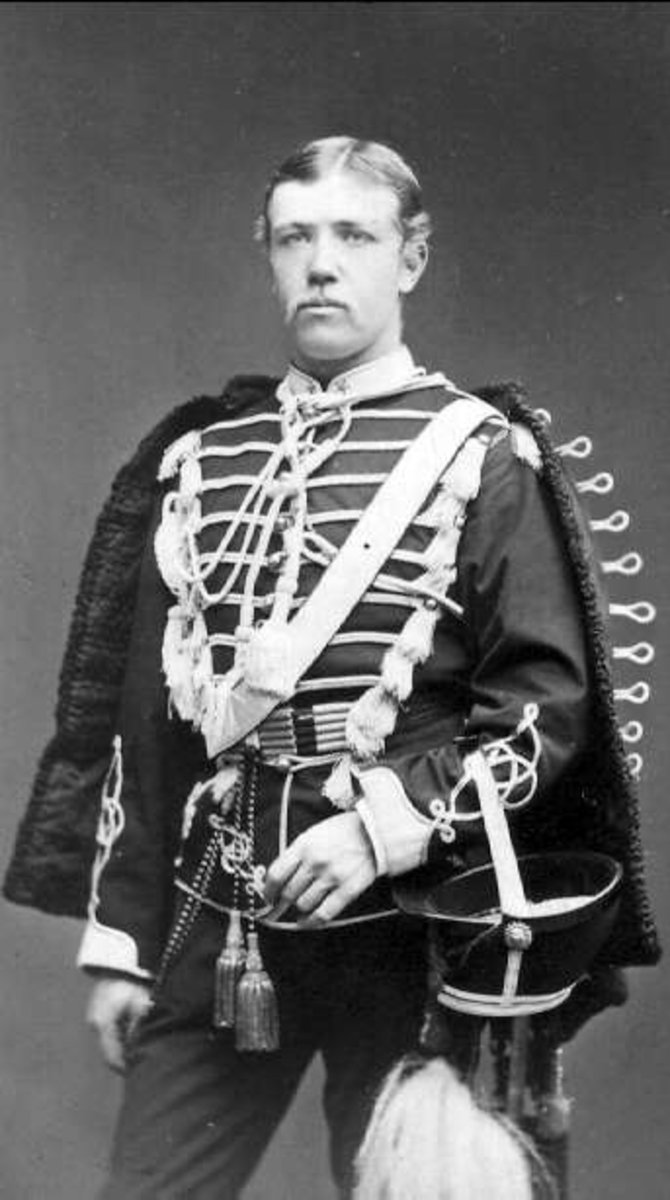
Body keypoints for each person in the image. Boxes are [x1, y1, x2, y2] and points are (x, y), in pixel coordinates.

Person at [3, 136, 659, 1199]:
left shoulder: (478, 456)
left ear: (410, 258)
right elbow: (148, 726)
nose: (320, 264)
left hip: (414, 926)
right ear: (267, 255)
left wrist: (379, 827)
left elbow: (543, 711)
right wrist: (124, 942)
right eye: (295, 238)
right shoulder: (200, 463)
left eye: (353, 235)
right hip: (221, 917)